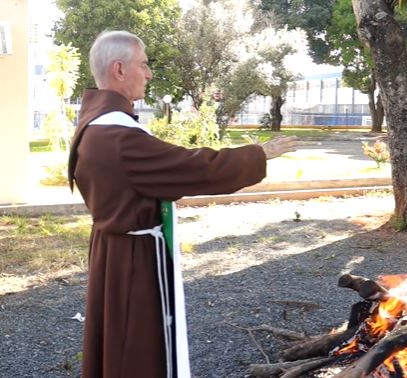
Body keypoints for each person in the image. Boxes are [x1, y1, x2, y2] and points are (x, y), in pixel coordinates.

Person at [67, 30, 298, 378]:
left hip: (112, 250)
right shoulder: (119, 137)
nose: (149, 73)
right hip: (133, 258)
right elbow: (192, 166)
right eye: (143, 65)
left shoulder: (94, 126)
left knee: (117, 337)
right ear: (119, 69)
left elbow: (164, 167)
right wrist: (258, 154)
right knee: (135, 342)